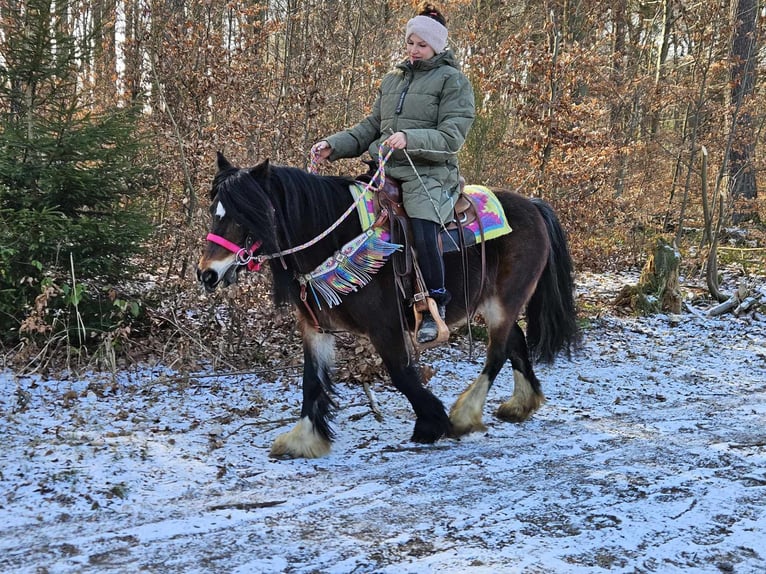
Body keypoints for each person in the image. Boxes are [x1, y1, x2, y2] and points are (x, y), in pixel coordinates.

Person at [312, 2, 475, 343]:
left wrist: (410, 138)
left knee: (421, 223)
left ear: (437, 47)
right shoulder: (392, 78)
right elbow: (372, 127)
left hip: (428, 173)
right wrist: (334, 145)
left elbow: (452, 136)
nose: (414, 50)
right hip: (383, 170)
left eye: (422, 44)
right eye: (410, 42)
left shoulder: (453, 81)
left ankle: (434, 306)